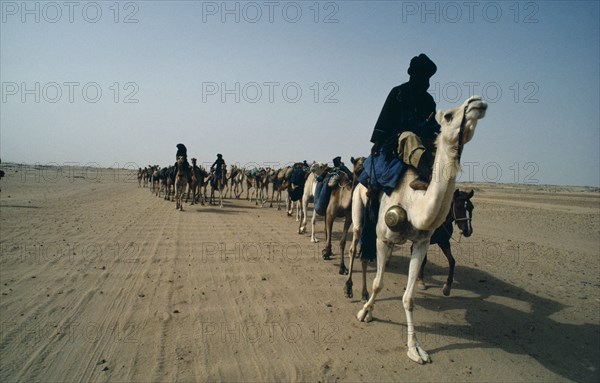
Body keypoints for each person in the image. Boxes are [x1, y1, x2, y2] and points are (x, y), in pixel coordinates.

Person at [370, 53, 440, 190]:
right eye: (422, 75)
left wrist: (437, 131)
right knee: (410, 137)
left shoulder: (428, 100)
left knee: (442, 144)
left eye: (427, 76)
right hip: (398, 139)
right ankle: (427, 176)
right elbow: (385, 117)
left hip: (424, 138)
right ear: (413, 75)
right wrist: (378, 140)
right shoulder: (398, 93)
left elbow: (434, 123)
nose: (425, 80)